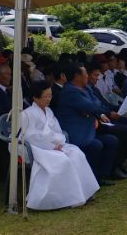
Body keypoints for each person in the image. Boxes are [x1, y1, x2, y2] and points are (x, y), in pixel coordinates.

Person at [22, 81, 100, 210]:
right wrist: (51, 146)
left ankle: (84, 192)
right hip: (38, 148)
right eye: (45, 96)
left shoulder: (49, 111)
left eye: (50, 96)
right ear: (35, 98)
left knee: (76, 153)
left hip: (55, 145)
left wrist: (58, 142)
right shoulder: (27, 114)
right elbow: (30, 136)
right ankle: (64, 199)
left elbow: (57, 131)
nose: (49, 99)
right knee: (61, 161)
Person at [51, 62, 118, 186]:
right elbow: (93, 105)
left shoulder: (86, 88)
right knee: (96, 145)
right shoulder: (70, 91)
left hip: (88, 128)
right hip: (77, 133)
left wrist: (90, 109)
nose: (87, 76)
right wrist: (91, 108)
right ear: (77, 76)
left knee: (111, 140)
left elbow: (96, 104)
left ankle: (102, 175)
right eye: (86, 74)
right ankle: (90, 179)